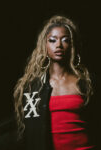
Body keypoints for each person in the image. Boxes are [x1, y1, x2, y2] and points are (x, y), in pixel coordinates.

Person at [13, 15, 94, 150]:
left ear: (72, 45)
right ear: (44, 45)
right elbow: (30, 132)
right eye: (52, 40)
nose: (59, 45)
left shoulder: (86, 83)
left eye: (65, 40)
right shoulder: (32, 87)